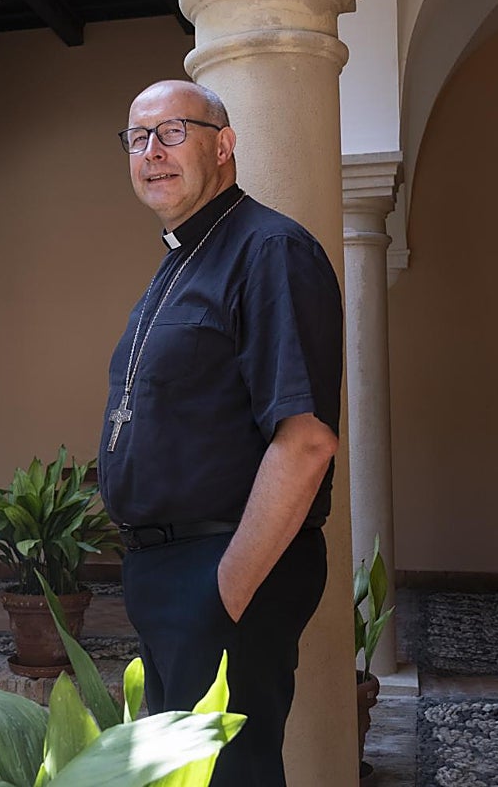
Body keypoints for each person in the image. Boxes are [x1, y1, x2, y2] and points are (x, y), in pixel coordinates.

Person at [98, 79, 343, 786]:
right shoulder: (184, 257)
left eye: (173, 131)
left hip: (222, 566)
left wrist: (223, 591)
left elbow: (305, 441)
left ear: (224, 145)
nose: (152, 151)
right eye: (138, 137)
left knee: (228, 777)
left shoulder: (268, 249)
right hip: (169, 571)